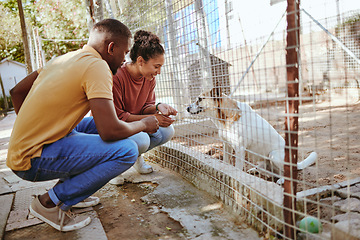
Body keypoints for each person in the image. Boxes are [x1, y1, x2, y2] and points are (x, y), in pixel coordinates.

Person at [6, 19, 159, 232]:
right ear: (111, 48)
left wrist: (35, 128)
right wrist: (143, 123)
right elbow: (110, 131)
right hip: (31, 159)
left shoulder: (64, 58)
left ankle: (70, 192)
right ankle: (49, 202)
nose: (125, 59)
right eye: (124, 52)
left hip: (25, 149)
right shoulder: (98, 67)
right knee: (127, 151)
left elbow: (16, 92)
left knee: (89, 126)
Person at [109, 30, 177, 185]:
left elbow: (145, 106)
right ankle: (113, 167)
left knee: (167, 131)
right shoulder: (117, 76)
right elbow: (118, 117)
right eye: (156, 66)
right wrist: (152, 118)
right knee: (142, 139)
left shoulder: (149, 78)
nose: (158, 72)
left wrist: (158, 107)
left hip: (135, 124)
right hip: (116, 128)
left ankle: (136, 157)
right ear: (140, 61)